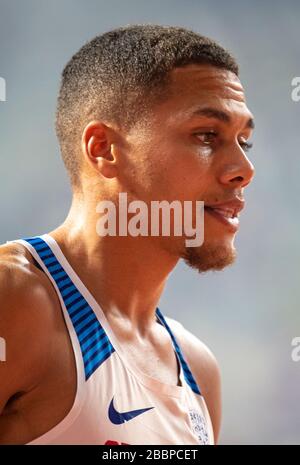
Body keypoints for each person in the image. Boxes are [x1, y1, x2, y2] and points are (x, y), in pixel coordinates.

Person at [0, 24, 255, 445]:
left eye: (245, 140)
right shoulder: (16, 301)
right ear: (104, 149)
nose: (244, 169)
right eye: (207, 135)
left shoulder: (197, 369)